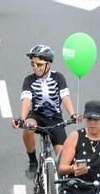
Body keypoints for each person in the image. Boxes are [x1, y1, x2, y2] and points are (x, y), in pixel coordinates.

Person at [11, 45, 78, 178]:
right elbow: (26, 99)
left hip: (55, 119)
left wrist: (72, 114)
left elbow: (65, 97)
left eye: (39, 64)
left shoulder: (58, 78)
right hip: (37, 116)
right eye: (33, 64)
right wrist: (22, 119)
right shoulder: (29, 80)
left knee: (64, 160)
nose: (35, 67)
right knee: (28, 127)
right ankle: (32, 161)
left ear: (49, 64)